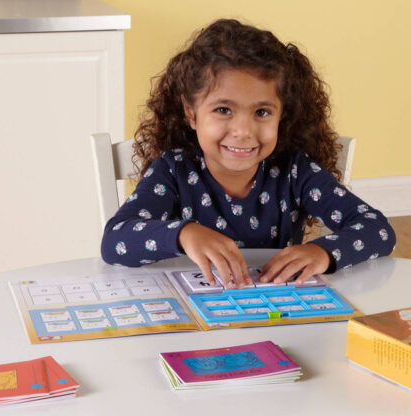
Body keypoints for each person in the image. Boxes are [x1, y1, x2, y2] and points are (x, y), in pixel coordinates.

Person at [101, 19, 396, 289]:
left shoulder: (295, 171)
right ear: (191, 113)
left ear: (281, 115)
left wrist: (323, 252)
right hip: (193, 310)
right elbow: (115, 239)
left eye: (262, 112)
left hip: (276, 310)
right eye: (223, 110)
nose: (243, 131)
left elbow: (379, 229)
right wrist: (183, 234)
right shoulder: (173, 171)